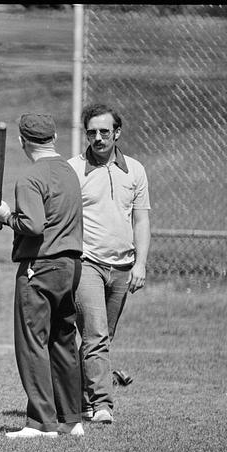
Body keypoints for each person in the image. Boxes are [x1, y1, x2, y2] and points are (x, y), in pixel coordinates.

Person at [0, 113, 84, 438]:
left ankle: (41, 423)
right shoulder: (70, 171)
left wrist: (5, 217)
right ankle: (72, 419)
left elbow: (32, 224)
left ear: (22, 142)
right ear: (54, 138)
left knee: (33, 341)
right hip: (71, 267)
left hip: (40, 266)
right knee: (63, 340)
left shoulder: (30, 178)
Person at [67, 103, 151, 425]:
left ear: (117, 133)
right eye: (92, 132)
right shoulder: (74, 169)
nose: (98, 138)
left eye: (105, 131)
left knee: (100, 337)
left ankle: (77, 399)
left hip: (123, 268)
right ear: (85, 134)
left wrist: (140, 264)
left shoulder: (135, 170)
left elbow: (141, 220)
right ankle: (102, 405)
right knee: (96, 335)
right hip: (86, 263)